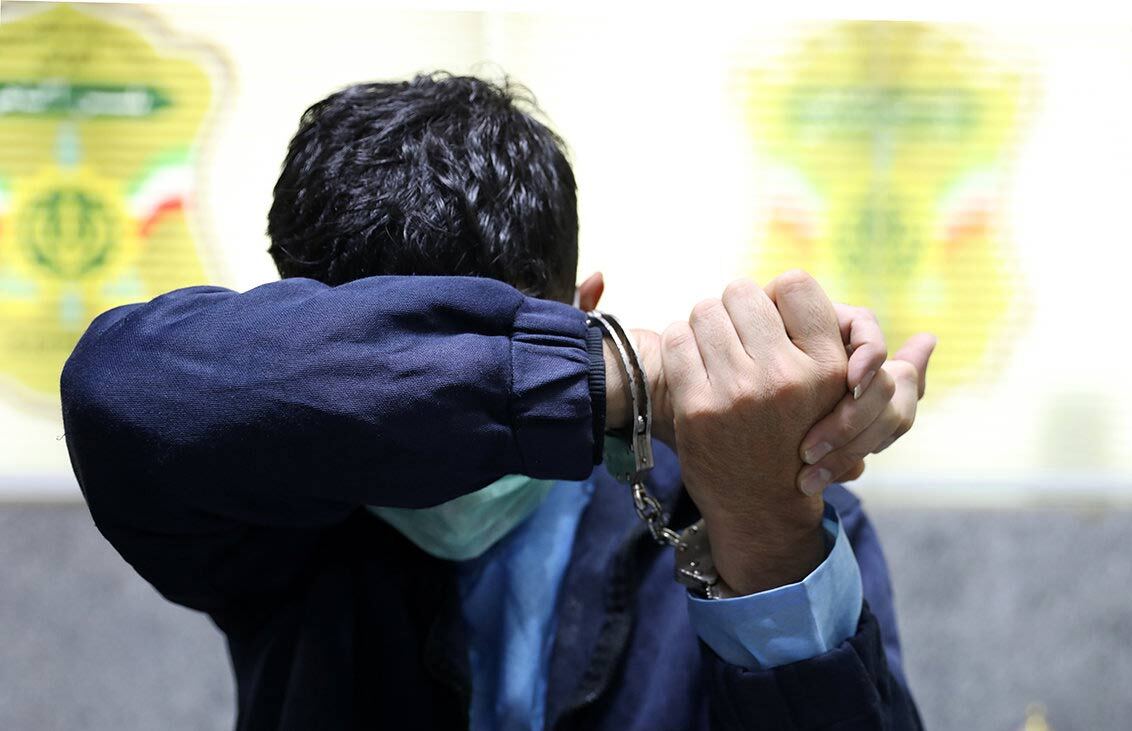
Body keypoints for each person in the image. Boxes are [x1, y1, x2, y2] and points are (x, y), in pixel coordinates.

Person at [61, 73, 935, 730]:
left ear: (582, 306)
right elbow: (118, 387)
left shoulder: (725, 498)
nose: (438, 459)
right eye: (377, 374)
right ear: (308, 347)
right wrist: (633, 375)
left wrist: (765, 529)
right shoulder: (279, 506)